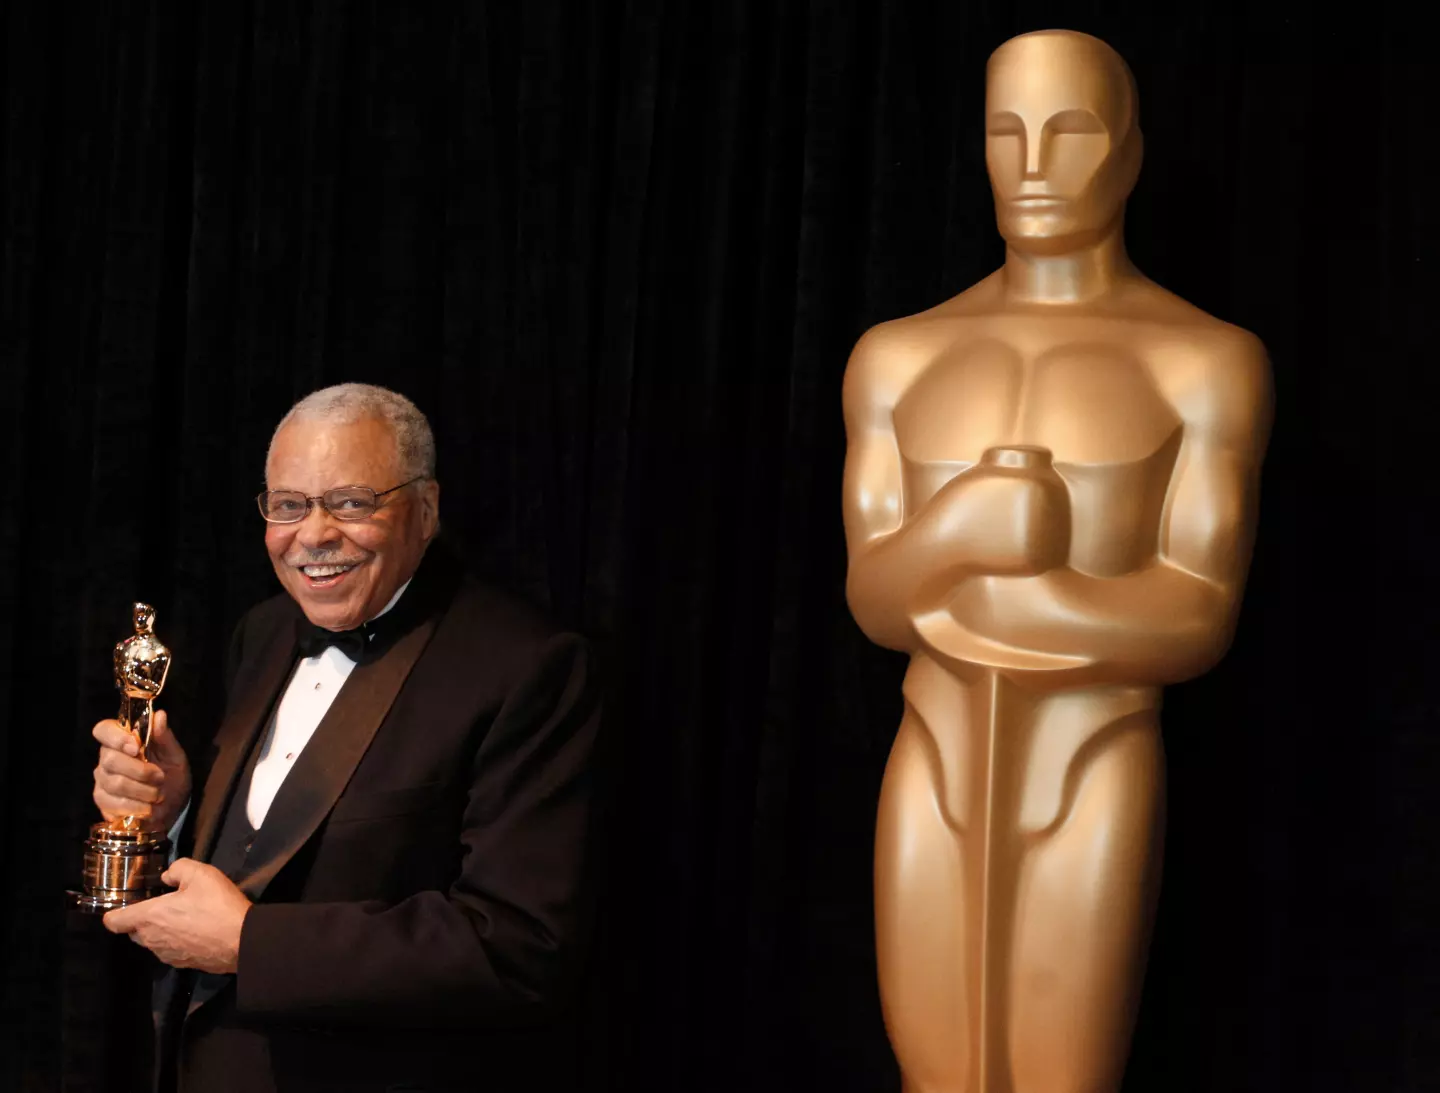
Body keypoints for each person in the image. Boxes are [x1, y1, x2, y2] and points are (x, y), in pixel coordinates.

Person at [91, 383, 604, 1093]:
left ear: (425, 509)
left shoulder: (527, 665)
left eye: (353, 502)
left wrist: (251, 945)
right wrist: (179, 812)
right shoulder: (263, 631)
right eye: (289, 503)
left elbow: (517, 945)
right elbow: (262, 853)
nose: (314, 533)